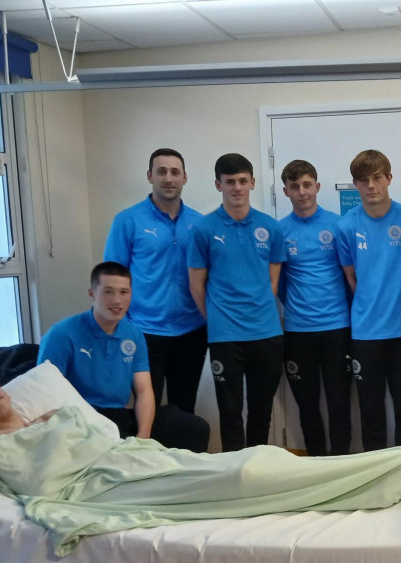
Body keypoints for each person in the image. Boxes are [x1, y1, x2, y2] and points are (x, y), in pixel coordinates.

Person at [0, 369, 401, 558]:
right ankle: (387, 474)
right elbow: (40, 476)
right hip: (103, 488)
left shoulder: (49, 415)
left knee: (258, 458)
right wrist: (59, 434)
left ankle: (393, 467)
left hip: (134, 461)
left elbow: (107, 434)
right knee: (246, 474)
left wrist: (62, 426)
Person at [37, 262, 210, 452]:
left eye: (124, 292)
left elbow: (144, 391)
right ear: (92, 293)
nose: (117, 301)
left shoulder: (133, 333)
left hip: (119, 415)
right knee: (116, 445)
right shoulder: (62, 334)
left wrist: (143, 438)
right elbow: (47, 393)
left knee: (195, 428)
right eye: (108, 292)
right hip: (80, 419)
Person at [187, 153, 286, 452]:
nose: (237, 188)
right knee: (230, 413)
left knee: (261, 411)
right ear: (219, 185)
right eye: (230, 182)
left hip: (266, 334)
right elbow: (196, 286)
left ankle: (258, 470)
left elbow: (272, 283)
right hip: (225, 337)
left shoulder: (271, 227)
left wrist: (253, 312)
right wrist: (218, 317)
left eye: (243, 181)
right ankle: (234, 474)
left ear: (253, 183)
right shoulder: (204, 230)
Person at [103, 148, 208, 415]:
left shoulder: (200, 224)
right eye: (161, 172)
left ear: (185, 178)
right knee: (144, 412)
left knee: (184, 411)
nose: (168, 178)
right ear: (150, 176)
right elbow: (113, 278)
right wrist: (119, 326)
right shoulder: (128, 220)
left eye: (175, 172)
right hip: (144, 332)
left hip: (191, 333)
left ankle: (182, 458)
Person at [336, 150, 401, 451]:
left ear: (389, 178)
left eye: (377, 178)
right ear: (355, 184)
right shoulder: (346, 226)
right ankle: (375, 477)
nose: (371, 185)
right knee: (370, 412)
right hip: (365, 333)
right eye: (363, 180)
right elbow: (351, 277)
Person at [278, 160, 351, 456]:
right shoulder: (279, 230)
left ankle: (341, 465)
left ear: (317, 187)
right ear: (286, 191)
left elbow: (350, 277)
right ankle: (317, 468)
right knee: (307, 405)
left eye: (307, 185)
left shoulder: (338, 225)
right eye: (295, 187)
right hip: (297, 331)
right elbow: (279, 282)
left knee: (339, 403)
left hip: (337, 329)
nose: (302, 192)